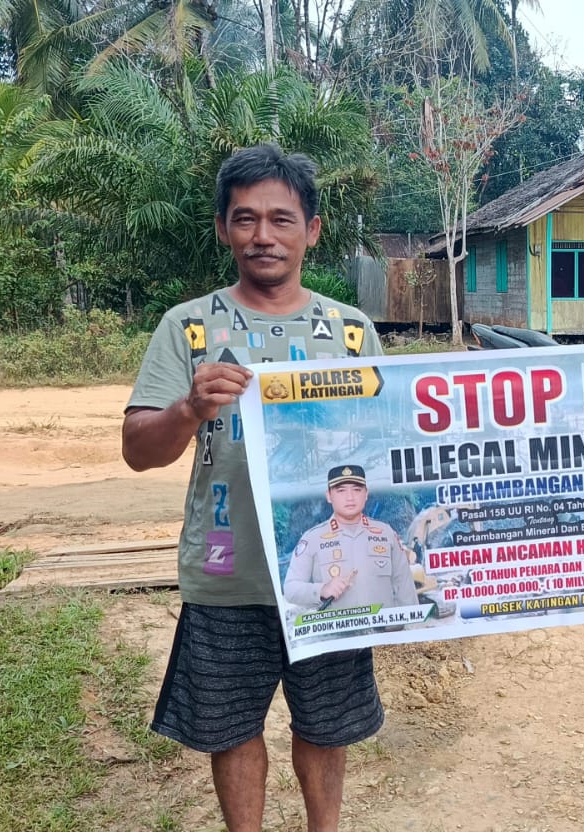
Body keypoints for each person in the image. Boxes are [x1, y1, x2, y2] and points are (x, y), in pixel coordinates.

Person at [121, 143, 385, 832]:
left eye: (281, 219)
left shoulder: (351, 334)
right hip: (227, 568)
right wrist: (188, 407)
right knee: (232, 727)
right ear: (222, 229)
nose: (263, 235)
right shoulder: (188, 328)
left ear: (312, 230)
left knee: (326, 725)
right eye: (245, 219)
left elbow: (386, 446)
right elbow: (138, 452)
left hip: (334, 569)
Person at [284, 465, 419, 611]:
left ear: (366, 494)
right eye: (341, 491)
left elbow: (405, 587)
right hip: (336, 625)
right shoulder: (312, 539)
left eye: (357, 490)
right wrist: (322, 589)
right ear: (329, 496)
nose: (350, 497)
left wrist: (412, 621)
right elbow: (291, 589)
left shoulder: (386, 533)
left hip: (382, 624)